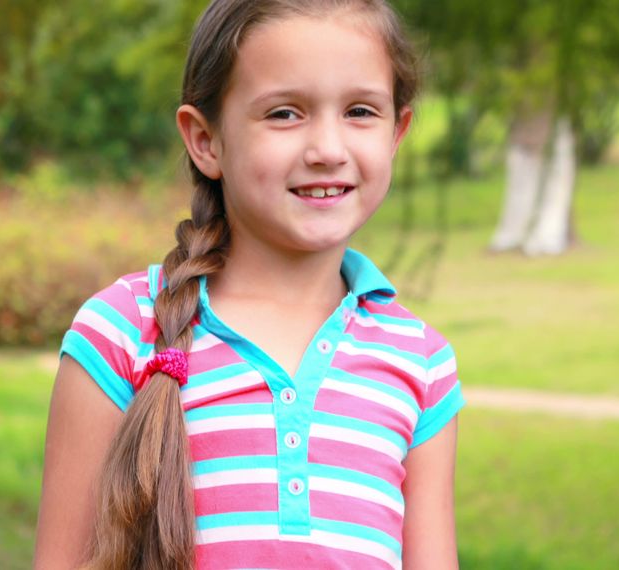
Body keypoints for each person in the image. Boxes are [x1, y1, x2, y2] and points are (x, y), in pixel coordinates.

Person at [33, 1, 465, 568]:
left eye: (360, 111)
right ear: (206, 140)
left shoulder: (421, 362)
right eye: (285, 114)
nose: (328, 150)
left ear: (397, 132)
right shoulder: (120, 331)